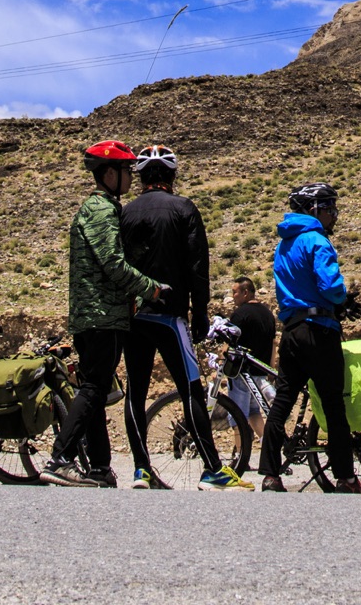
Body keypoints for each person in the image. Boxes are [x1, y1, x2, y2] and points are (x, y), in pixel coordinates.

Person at [120, 144, 243, 490]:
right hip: (170, 316)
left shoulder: (126, 213)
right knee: (190, 389)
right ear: (172, 176)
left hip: (134, 316)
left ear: (141, 177)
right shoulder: (185, 208)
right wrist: (199, 312)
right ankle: (212, 469)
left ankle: (141, 469)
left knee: (135, 392)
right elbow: (197, 267)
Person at [45, 140, 166, 489]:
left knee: (94, 389)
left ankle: (99, 467)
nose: (131, 177)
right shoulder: (101, 210)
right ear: (110, 173)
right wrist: (151, 288)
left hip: (92, 316)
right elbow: (113, 264)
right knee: (94, 388)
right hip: (103, 316)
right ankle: (62, 458)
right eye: (127, 171)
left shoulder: (101, 208)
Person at [260, 182, 361, 493]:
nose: (334, 214)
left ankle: (270, 474)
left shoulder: (284, 244)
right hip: (320, 330)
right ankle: (345, 477)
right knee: (333, 404)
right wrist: (342, 299)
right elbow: (330, 285)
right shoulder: (316, 240)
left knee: (283, 402)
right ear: (314, 209)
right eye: (329, 207)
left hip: (291, 331)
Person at [224, 277, 278, 441]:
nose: (233, 296)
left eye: (235, 292)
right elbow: (273, 343)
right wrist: (271, 368)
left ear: (245, 292)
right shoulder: (268, 314)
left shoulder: (240, 314)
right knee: (254, 412)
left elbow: (229, 344)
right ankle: (267, 448)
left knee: (238, 416)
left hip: (241, 374)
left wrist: (222, 364)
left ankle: (241, 456)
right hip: (260, 373)